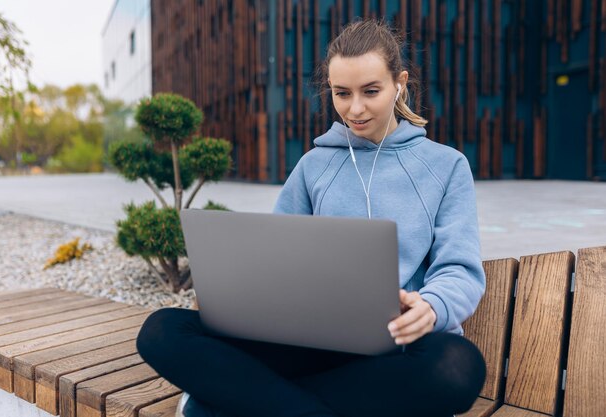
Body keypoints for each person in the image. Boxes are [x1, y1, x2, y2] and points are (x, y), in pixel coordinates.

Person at [137, 19, 486, 417]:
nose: (355, 108)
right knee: (163, 330)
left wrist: (432, 306)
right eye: (342, 93)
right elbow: (277, 258)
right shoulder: (313, 166)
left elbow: (460, 269)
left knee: (459, 368)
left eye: (371, 91)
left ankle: (231, 401)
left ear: (399, 83)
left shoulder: (446, 166)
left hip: (397, 347)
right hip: (308, 344)